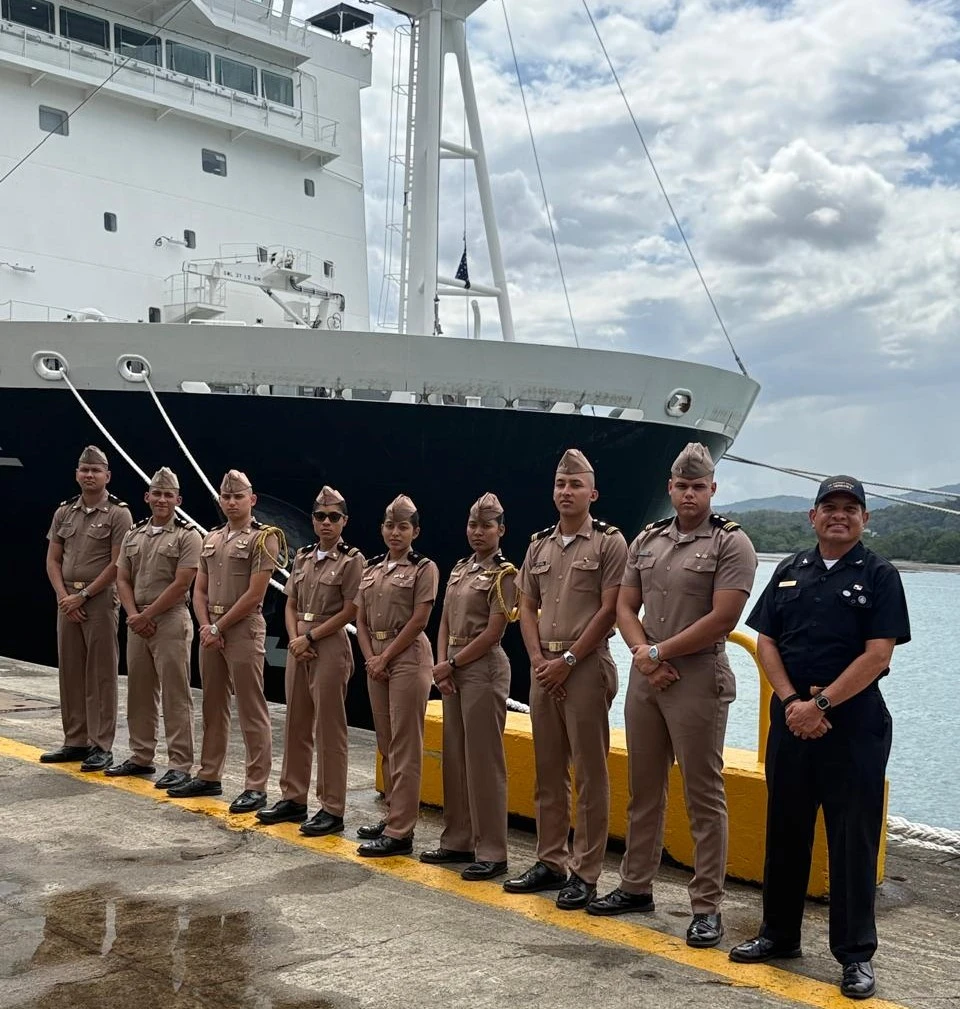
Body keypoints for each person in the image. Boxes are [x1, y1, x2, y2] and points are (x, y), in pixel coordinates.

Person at [729, 475, 910, 1000]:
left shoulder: (879, 575)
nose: (839, 515)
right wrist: (792, 703)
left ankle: (855, 956)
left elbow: (878, 655)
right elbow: (765, 639)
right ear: (812, 517)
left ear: (864, 520)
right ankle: (778, 935)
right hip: (792, 722)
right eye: (828, 507)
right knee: (785, 831)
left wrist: (821, 703)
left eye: (850, 509)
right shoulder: (789, 570)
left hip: (852, 729)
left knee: (852, 840)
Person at [587, 443, 757, 948]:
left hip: (697, 678)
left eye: (698, 486)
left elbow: (724, 618)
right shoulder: (649, 539)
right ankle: (636, 885)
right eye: (681, 486)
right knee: (644, 788)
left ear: (712, 489)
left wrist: (657, 654)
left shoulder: (732, 543)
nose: (688, 494)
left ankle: (706, 906)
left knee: (703, 794)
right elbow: (623, 605)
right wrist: (644, 654)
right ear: (670, 488)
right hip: (648, 675)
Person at [504, 449, 627, 909]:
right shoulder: (538, 545)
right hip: (544, 668)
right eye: (560, 485)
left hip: (585, 667)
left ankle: (586, 871)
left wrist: (569, 660)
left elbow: (610, 608)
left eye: (575, 485)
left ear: (592, 493)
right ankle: (549, 860)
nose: (566, 492)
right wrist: (537, 658)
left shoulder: (610, 543)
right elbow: (527, 606)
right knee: (547, 772)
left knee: (590, 775)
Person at [167, 470, 283, 814]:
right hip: (212, 629)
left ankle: (256, 785)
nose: (231, 502)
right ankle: (209, 773)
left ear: (252, 499)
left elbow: (255, 593)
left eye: (238, 496)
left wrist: (218, 628)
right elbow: (198, 588)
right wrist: (206, 626)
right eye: (226, 496)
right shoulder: (212, 538)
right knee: (212, 705)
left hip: (243, 627)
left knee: (251, 707)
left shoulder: (265, 538)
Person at [421, 492, 518, 881]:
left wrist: (451, 663)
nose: (478, 532)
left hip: (482, 669)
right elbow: (444, 619)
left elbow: (494, 632)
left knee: (483, 762)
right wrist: (441, 664)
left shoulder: (504, 574)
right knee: (455, 757)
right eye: (473, 525)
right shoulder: (460, 568)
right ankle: (457, 839)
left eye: (486, 526)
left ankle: (493, 850)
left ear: (501, 530)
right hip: (454, 667)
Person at [257, 486, 364, 835]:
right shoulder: (302, 556)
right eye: (320, 516)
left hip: (328, 645)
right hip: (298, 645)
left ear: (344, 521)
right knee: (296, 724)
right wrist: (293, 639)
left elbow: (351, 608)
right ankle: (293, 797)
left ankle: (332, 807)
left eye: (333, 517)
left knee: (329, 729)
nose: (326, 523)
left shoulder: (352, 560)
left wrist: (310, 637)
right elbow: (289, 601)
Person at [354, 494, 439, 856]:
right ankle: (392, 814)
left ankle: (401, 830)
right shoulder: (372, 569)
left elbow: (420, 619)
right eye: (390, 525)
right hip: (377, 658)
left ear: (415, 531)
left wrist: (384, 656)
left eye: (402, 526)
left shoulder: (424, 568)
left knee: (405, 745)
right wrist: (371, 657)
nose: (395, 532)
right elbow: (359, 618)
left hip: (407, 657)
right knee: (386, 742)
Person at [108, 467, 202, 787]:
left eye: (168, 495)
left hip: (170, 619)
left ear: (178, 499)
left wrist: (145, 617)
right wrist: (134, 614)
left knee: (176, 693)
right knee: (139, 691)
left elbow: (182, 583)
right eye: (157, 494)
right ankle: (141, 755)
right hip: (138, 620)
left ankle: (180, 763)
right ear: (147, 497)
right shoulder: (133, 534)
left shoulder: (188, 536)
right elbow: (122, 577)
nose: (162, 500)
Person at [42, 446, 133, 772]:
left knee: (101, 675)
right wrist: (63, 596)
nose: (89, 476)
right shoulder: (64, 512)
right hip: (67, 602)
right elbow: (53, 559)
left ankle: (101, 745)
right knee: (70, 672)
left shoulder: (118, 514)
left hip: (99, 601)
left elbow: (117, 562)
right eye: (84, 470)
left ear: (107, 476)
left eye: (96, 471)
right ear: (77, 474)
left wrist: (83, 596)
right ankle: (75, 740)